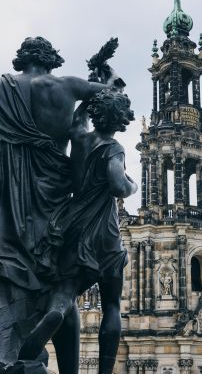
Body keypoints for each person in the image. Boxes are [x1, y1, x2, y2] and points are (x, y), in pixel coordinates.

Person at [0, 37, 122, 372]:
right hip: (55, 201)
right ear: (51, 59)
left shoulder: (3, 87)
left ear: (20, 59)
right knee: (59, 288)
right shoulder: (67, 85)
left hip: (10, 200)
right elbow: (113, 100)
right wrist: (106, 75)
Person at [19, 90, 138, 374]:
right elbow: (119, 187)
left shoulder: (80, 137)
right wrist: (132, 183)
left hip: (72, 224)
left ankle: (55, 314)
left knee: (64, 292)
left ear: (96, 114)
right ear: (121, 120)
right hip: (104, 232)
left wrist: (97, 91)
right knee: (111, 304)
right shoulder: (114, 148)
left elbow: (75, 119)